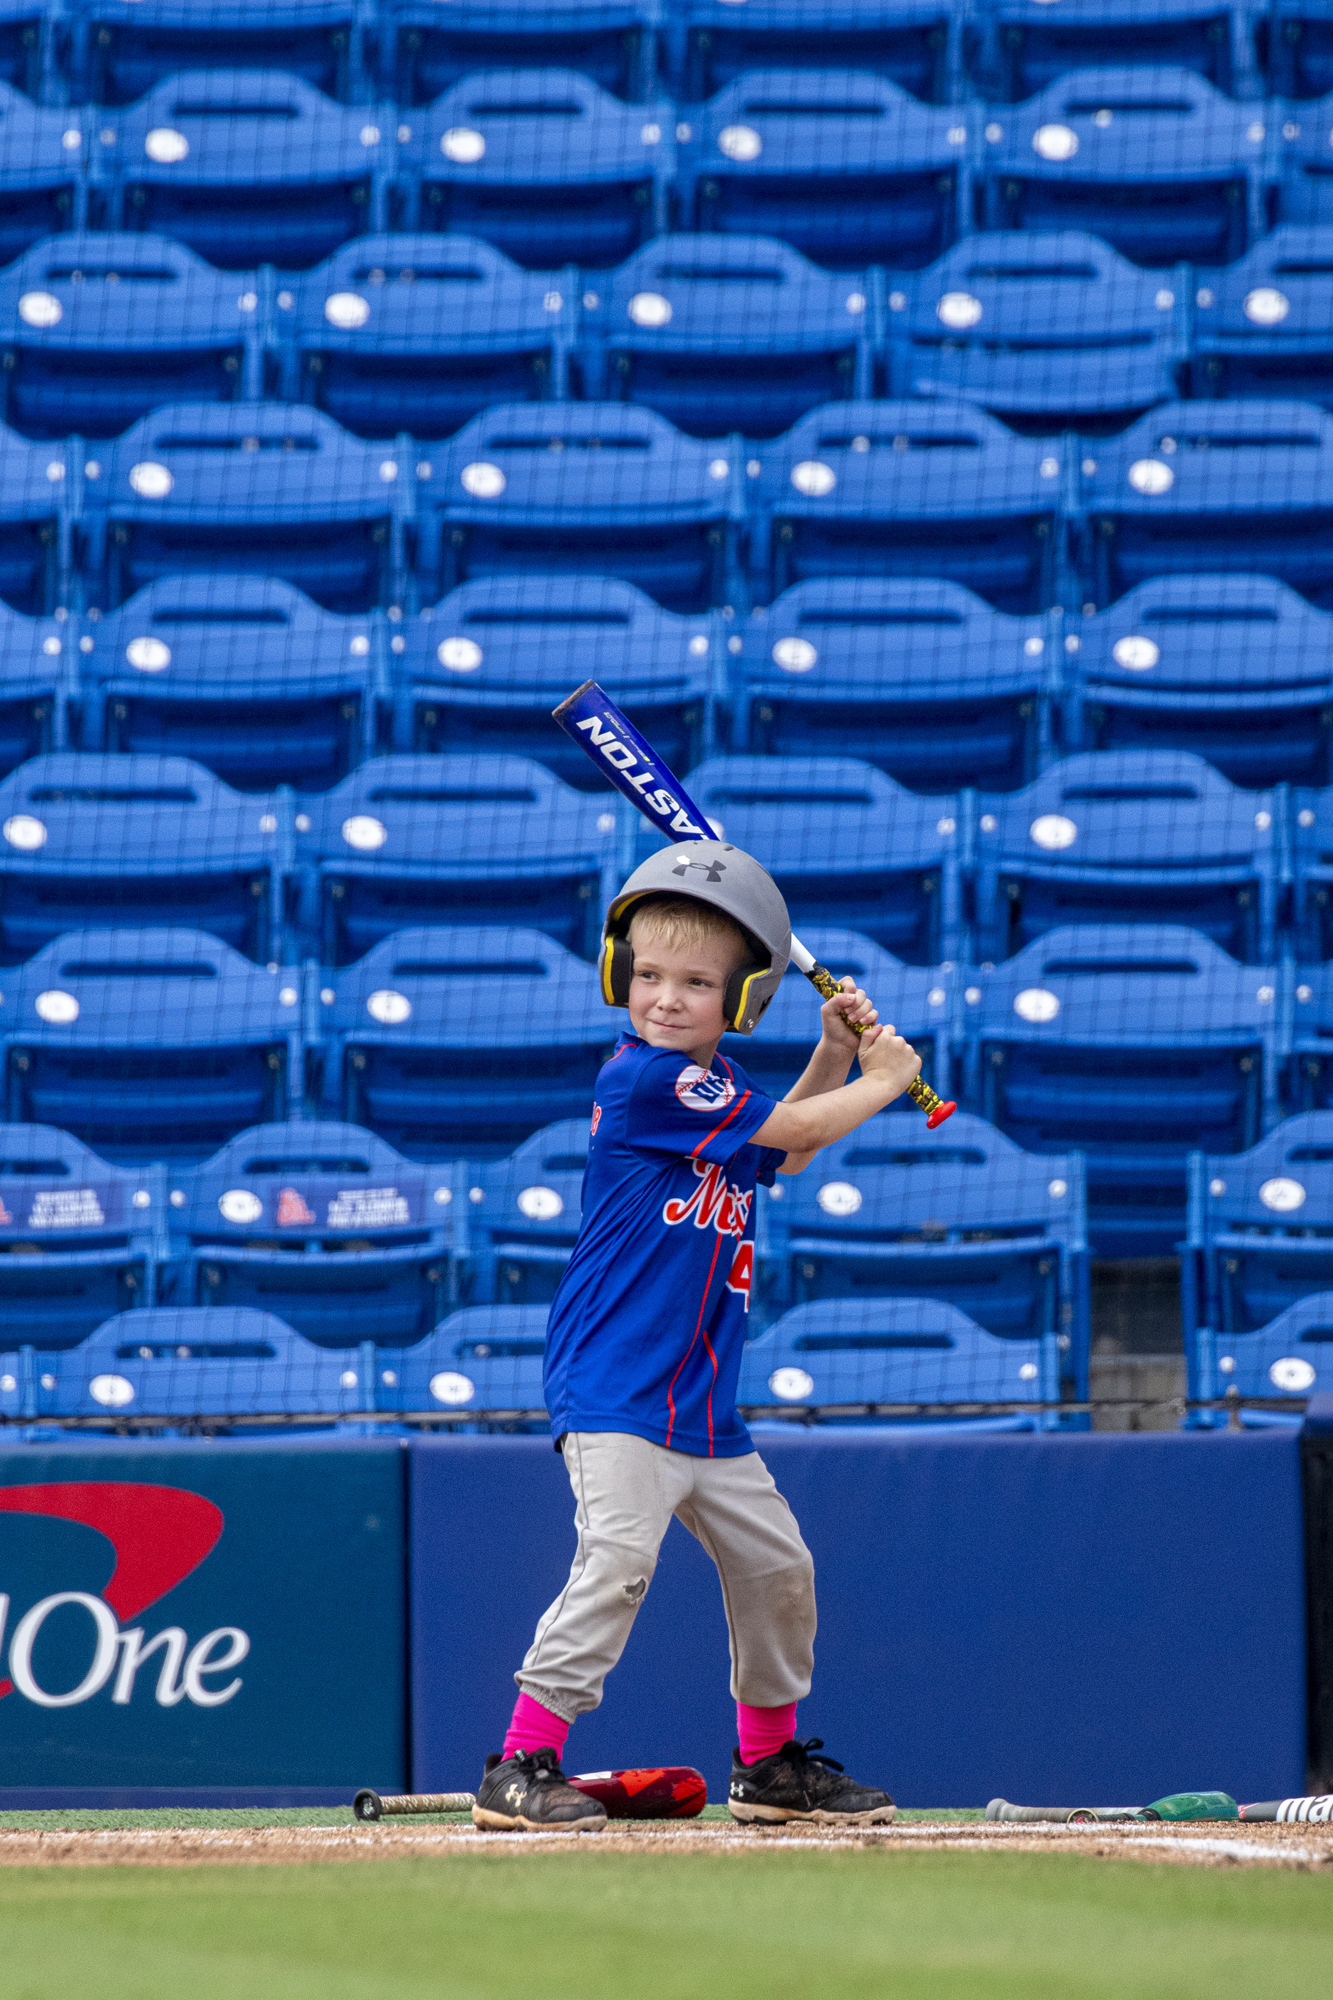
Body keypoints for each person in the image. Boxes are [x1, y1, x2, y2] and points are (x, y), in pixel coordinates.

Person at [472, 839, 924, 1833]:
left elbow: (782, 1152)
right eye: (647, 976)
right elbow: (791, 1131)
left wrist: (835, 1053)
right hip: (617, 1385)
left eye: (695, 983)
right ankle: (520, 1760)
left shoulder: (712, 1088)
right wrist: (886, 1079)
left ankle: (767, 1767)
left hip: (703, 1407)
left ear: (741, 999)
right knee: (617, 1562)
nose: (665, 998)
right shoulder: (650, 1081)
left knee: (776, 1569)